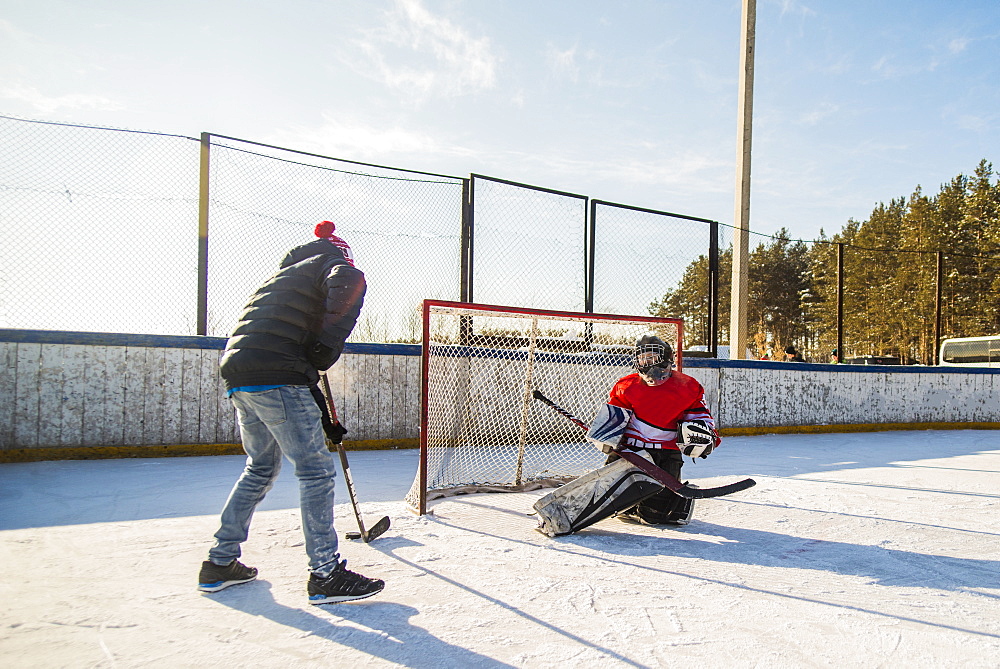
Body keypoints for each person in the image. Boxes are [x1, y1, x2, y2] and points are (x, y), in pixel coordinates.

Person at [198, 220, 384, 604]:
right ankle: (325, 574)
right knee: (315, 471)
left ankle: (220, 562)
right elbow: (350, 283)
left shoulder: (282, 280)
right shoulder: (334, 266)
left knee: (260, 467)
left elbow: (293, 363)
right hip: (277, 374)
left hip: (240, 371)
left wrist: (325, 419)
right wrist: (326, 345)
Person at [606, 334, 721, 525]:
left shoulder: (687, 386)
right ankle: (631, 504)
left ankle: (678, 505)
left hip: (666, 453)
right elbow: (612, 418)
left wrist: (706, 436)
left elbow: (700, 416)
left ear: (667, 358)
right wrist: (607, 437)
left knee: (653, 517)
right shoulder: (626, 385)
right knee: (612, 501)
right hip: (630, 451)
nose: (647, 363)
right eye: (643, 358)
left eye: (653, 357)